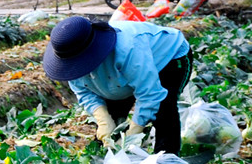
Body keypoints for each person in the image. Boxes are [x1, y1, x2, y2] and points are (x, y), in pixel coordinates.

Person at [43, 16, 192, 154]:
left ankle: (167, 163)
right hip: (124, 71)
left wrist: (134, 131)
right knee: (111, 117)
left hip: (169, 57)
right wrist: (103, 119)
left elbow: (150, 94)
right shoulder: (70, 58)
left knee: (164, 110)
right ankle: (104, 160)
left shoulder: (128, 48)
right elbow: (83, 91)